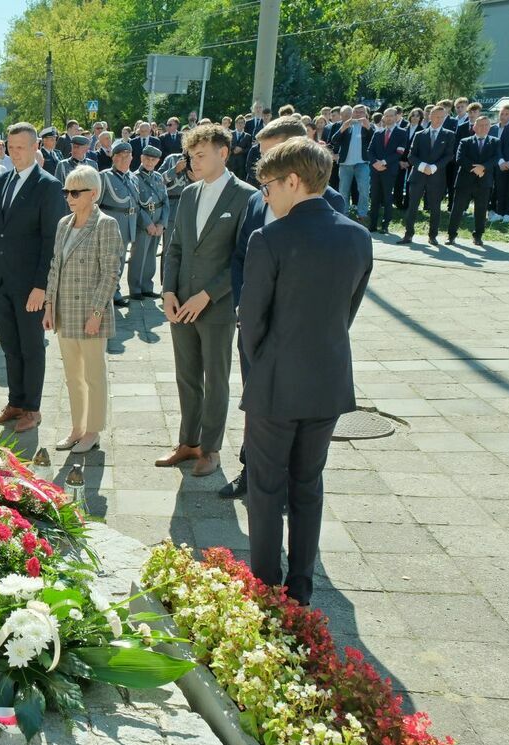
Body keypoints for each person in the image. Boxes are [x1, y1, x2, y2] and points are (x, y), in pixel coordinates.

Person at [240, 138, 370, 607]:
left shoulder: (270, 237)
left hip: (275, 382)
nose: (265, 196)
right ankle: (301, 588)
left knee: (266, 487)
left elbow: (251, 322)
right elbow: (347, 311)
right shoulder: (357, 236)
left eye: (269, 186)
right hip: (328, 381)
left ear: (293, 181)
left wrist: (265, 361)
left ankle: (264, 585)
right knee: (308, 486)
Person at [222, 117, 348, 499]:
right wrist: (245, 306)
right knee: (256, 403)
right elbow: (242, 255)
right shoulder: (257, 202)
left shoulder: (331, 204)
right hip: (255, 327)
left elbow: (341, 281)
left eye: (271, 155)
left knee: (297, 415)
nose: (264, 170)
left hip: (301, 338)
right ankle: (252, 472)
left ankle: (294, 486)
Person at [157, 123, 256, 477]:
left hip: (216, 306)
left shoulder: (246, 196)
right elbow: (175, 247)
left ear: (223, 153)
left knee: (215, 378)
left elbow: (242, 258)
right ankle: (189, 441)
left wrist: (208, 294)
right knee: (186, 376)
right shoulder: (188, 194)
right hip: (181, 301)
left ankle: (211, 449)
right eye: (190, 155)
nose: (193, 162)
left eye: (200, 155)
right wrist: (168, 290)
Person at [0, 123, 67, 434]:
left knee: (32, 348)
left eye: (21, 147)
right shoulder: (0, 181)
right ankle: (15, 402)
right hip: (2, 282)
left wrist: (41, 287)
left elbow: (51, 240)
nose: (15, 153)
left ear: (35, 148)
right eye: (11, 146)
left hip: (30, 285)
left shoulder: (47, 186)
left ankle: (32, 408)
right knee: (10, 346)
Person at [42, 165, 122, 455]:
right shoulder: (64, 224)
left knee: (94, 375)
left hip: (91, 313)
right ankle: (76, 428)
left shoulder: (106, 224)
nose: (69, 197)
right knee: (72, 376)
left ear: (94, 193)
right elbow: (55, 267)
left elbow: (111, 272)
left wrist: (97, 313)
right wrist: (49, 306)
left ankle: (93, 431)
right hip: (65, 312)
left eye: (76, 192)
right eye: (66, 191)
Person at [398, 106, 455, 245]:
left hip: (436, 177)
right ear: (430, 117)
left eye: (442, 117)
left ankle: (432, 236)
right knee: (412, 207)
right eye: (436, 116)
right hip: (418, 176)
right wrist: (423, 167)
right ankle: (408, 234)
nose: (439, 119)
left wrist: (434, 167)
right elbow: (411, 156)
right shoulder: (420, 134)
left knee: (435, 208)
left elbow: (449, 155)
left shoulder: (449, 135)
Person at [447, 115, 499, 246]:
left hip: (484, 182)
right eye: (480, 125)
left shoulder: (495, 141)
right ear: (474, 127)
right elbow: (459, 159)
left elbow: (496, 158)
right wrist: (475, 169)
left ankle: (478, 236)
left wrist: (483, 167)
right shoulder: (465, 141)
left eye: (486, 125)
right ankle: (451, 235)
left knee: (481, 211)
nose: (483, 128)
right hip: (464, 182)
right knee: (457, 209)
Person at [98, 140, 138, 307]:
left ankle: (115, 290)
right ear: (113, 158)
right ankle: (109, 293)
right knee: (108, 261)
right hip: (111, 225)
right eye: (120, 156)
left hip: (128, 224)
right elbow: (95, 204)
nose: (124, 159)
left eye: (127, 156)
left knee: (120, 261)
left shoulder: (133, 177)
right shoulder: (104, 176)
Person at [128, 144, 169, 299]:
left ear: (158, 161)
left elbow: (165, 201)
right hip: (143, 223)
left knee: (151, 255)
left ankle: (147, 285)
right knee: (139, 255)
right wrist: (147, 223)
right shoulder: (134, 178)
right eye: (147, 158)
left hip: (157, 221)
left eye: (153, 159)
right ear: (141, 158)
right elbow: (135, 204)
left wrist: (162, 223)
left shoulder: (158, 177)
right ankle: (135, 288)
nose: (150, 162)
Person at [366, 110, 410, 234]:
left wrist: (384, 162)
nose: (389, 118)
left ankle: (385, 225)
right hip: (375, 170)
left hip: (389, 170)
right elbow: (369, 150)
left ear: (396, 117)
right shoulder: (378, 132)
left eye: (391, 116)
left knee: (387, 197)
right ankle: (373, 224)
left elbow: (399, 152)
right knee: (374, 197)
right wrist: (375, 163)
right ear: (383, 118)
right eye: (387, 116)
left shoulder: (402, 132)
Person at [330, 104, 373, 224]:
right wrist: (343, 128)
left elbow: (374, 141)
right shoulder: (346, 125)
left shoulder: (369, 126)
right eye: (356, 112)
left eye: (361, 112)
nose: (358, 114)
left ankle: (362, 214)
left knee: (364, 189)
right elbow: (334, 140)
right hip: (345, 164)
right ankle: (344, 215)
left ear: (366, 114)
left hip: (362, 163)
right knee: (343, 191)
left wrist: (368, 127)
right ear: (352, 113)